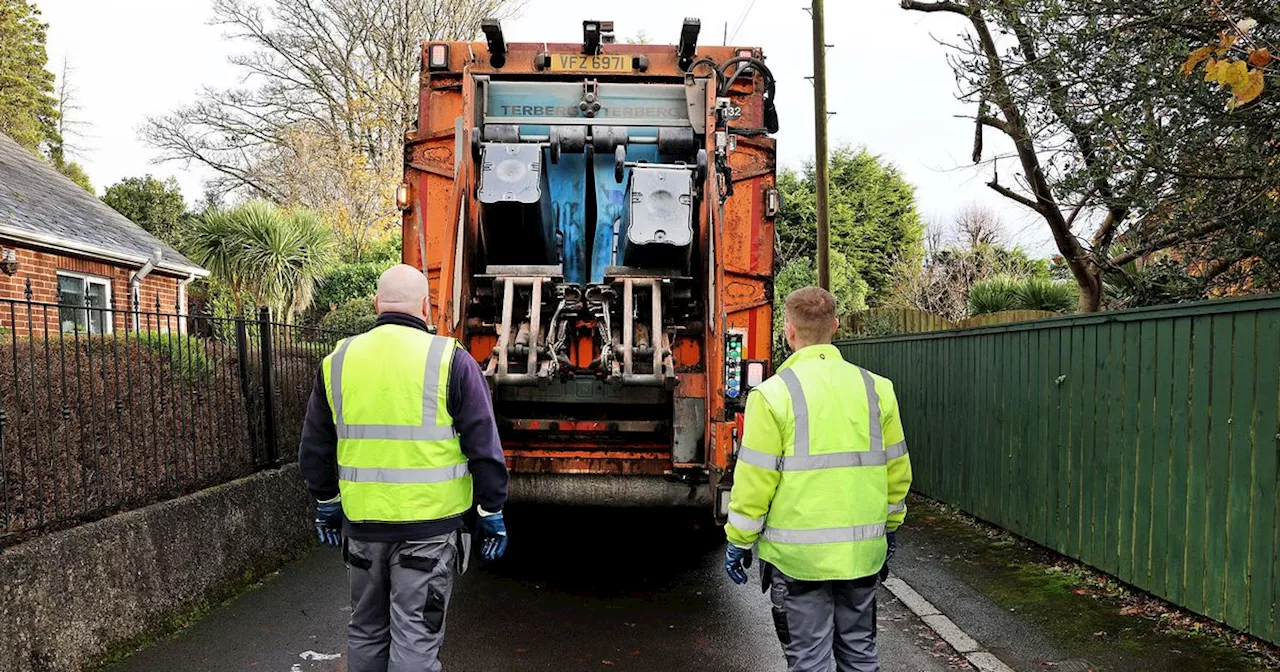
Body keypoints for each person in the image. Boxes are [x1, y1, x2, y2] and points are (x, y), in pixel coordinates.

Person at [299, 264, 510, 672]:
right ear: (426, 308)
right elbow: (483, 445)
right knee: (415, 637)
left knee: (365, 630)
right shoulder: (451, 360)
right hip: (428, 532)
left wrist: (326, 500)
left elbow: (315, 445)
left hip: (362, 528)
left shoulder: (338, 360)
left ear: (377, 303)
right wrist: (491, 509)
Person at [723, 286, 912, 672]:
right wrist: (890, 527)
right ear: (836, 327)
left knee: (809, 662)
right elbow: (897, 471)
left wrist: (739, 540)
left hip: (798, 561)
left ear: (788, 332)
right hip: (861, 556)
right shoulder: (877, 389)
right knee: (860, 655)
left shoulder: (772, 396)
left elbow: (755, 481)